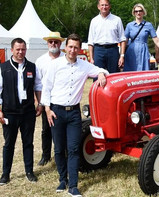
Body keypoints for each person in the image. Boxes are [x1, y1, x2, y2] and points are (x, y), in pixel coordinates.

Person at [41, 34, 109, 196]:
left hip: (74, 115)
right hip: (56, 112)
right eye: (70, 47)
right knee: (58, 149)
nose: (72, 50)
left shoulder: (84, 66)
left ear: (80, 49)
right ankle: (62, 179)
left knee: (73, 149)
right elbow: (46, 87)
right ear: (65, 47)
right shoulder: (55, 64)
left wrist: (100, 74)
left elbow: (102, 70)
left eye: (76, 47)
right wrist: (47, 110)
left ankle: (73, 185)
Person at [0, 38, 42, 185]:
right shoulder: (3, 68)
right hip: (9, 113)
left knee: (28, 143)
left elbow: (37, 86)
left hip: (28, 112)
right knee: (9, 144)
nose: (20, 52)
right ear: (12, 50)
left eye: (23, 49)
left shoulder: (32, 66)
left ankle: (29, 172)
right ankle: (5, 174)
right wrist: (0, 111)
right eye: (17, 49)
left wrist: (40, 103)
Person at [35, 32, 65, 166]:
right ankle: (45, 155)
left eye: (56, 42)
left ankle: (64, 153)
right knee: (46, 129)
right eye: (51, 41)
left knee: (63, 129)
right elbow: (38, 84)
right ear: (47, 43)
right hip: (47, 100)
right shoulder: (40, 61)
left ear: (60, 43)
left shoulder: (66, 58)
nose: (53, 44)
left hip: (63, 99)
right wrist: (40, 102)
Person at [124, 3, 159, 71]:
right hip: (131, 52)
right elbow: (125, 41)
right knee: (130, 72)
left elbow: (157, 41)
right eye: (136, 11)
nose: (138, 13)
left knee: (142, 72)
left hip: (143, 51)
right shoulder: (129, 25)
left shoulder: (148, 25)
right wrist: (121, 55)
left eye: (140, 11)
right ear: (134, 13)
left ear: (143, 12)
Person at [88, 0, 126, 73]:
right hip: (98, 51)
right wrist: (91, 58)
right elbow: (90, 41)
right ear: (98, 7)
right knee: (97, 75)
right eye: (102, 5)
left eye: (106, 5)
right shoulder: (94, 21)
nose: (104, 7)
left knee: (114, 76)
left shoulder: (117, 20)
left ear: (109, 6)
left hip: (113, 50)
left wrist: (122, 56)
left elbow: (122, 39)